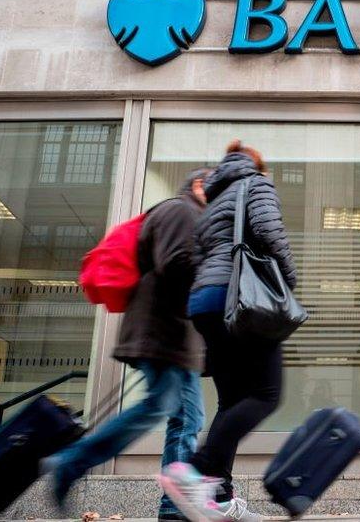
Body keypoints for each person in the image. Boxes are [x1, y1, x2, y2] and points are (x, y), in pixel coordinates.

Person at [44, 167, 214, 522]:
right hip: (162, 333)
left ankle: (173, 506)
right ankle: (70, 462)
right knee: (160, 408)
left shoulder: (188, 215)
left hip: (173, 337)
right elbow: (177, 267)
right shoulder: (181, 210)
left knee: (187, 418)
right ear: (199, 185)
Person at [160, 140, 296, 522]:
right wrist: (288, 279)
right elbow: (270, 233)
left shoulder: (211, 202)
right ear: (257, 164)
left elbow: (200, 257)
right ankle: (195, 470)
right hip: (241, 303)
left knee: (232, 401)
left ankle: (218, 495)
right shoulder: (256, 184)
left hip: (205, 303)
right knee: (267, 394)